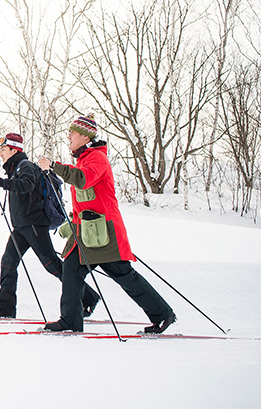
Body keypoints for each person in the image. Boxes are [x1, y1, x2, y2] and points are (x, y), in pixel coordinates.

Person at [38, 114, 176, 333]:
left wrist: (55, 166)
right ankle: (70, 322)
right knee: (71, 271)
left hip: (104, 234)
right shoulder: (84, 159)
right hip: (86, 233)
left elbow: (82, 179)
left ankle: (162, 315)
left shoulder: (97, 159)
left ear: (84, 136)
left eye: (72, 133)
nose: (68, 137)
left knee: (123, 274)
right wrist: (72, 222)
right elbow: (87, 200)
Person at [0, 132, 100, 319]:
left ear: (14, 149)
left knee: (52, 265)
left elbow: (26, 186)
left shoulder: (25, 166)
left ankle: (89, 297)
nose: (1, 154)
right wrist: (3, 181)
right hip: (22, 227)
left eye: (3, 150)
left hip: (35, 225)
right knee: (8, 263)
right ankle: (5, 308)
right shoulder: (15, 169)